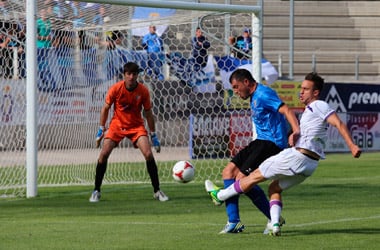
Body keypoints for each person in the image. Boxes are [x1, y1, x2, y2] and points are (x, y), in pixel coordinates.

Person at [206, 72, 361, 236]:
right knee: (258, 182)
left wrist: (351, 145)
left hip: (274, 145)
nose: (301, 92)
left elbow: (290, 111)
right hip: (307, 162)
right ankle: (272, 223)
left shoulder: (317, 105)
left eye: (305, 89)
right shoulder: (309, 110)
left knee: (247, 178)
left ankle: (221, 196)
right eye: (301, 88)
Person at [209, 68, 300, 234]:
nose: (235, 92)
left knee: (242, 179)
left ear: (246, 82)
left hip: (271, 144)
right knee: (228, 172)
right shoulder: (254, 96)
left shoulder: (264, 94)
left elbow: (286, 110)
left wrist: (296, 131)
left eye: (236, 87)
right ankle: (234, 222)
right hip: (259, 142)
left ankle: (273, 217)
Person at [89, 62, 169, 203]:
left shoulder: (143, 91)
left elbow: (148, 113)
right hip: (117, 126)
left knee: (148, 154)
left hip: (136, 126)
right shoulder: (115, 89)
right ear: (124, 75)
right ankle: (96, 191)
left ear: (137, 75)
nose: (131, 77)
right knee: (103, 154)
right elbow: (105, 109)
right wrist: (101, 129)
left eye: (134, 74)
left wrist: (153, 134)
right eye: (128, 74)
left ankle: (157, 191)